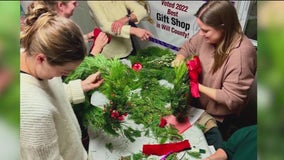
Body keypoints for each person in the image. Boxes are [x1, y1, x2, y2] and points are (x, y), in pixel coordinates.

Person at [20, 2, 104, 159]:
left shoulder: (32, 57)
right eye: (64, 72)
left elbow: (50, 95)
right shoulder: (31, 112)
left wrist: (80, 86)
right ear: (41, 59)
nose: (60, 77)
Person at [171, 1, 256, 147]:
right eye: (200, 29)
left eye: (205, 30)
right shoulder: (206, 35)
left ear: (223, 27)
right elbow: (188, 47)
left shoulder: (241, 54)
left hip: (219, 117)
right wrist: (179, 59)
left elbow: (232, 98)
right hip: (197, 105)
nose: (201, 34)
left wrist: (196, 86)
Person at [87, 1, 153, 59]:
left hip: (128, 49)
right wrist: (134, 31)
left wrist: (125, 19)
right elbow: (105, 26)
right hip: (107, 55)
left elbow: (142, 10)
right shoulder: (93, 2)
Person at [41, 0, 109, 55]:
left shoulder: (52, 26)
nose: (77, 5)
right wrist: (97, 48)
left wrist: (85, 38)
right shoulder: (55, 31)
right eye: (74, 3)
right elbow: (77, 70)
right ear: (61, 5)